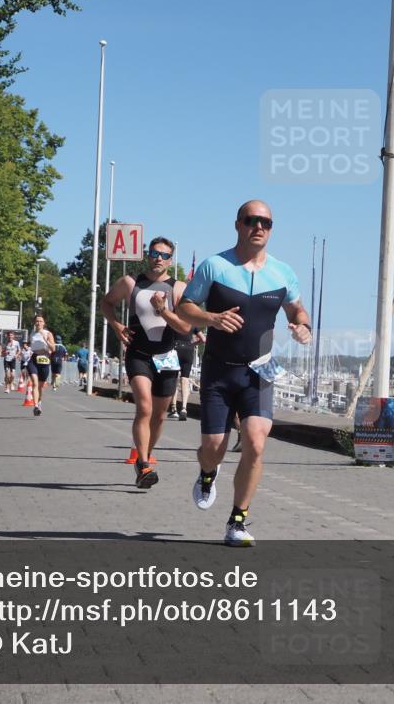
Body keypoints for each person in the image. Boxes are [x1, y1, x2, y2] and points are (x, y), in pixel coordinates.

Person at [177, 200, 311, 546]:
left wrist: (302, 327)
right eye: (251, 220)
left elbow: (297, 310)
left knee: (255, 441)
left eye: (265, 222)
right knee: (213, 447)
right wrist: (212, 319)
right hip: (219, 370)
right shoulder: (214, 266)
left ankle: (238, 521)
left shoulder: (283, 272)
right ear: (238, 224)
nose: (259, 227)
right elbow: (185, 307)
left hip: (260, 371)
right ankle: (208, 473)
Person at [102, 236, 191, 489]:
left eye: (164, 255)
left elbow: (185, 326)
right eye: (154, 253)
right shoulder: (130, 283)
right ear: (147, 254)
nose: (158, 258)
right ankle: (143, 463)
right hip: (138, 354)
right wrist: (116, 324)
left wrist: (163, 310)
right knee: (144, 408)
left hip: (166, 357)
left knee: (160, 416)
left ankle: (145, 456)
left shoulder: (178, 288)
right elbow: (107, 303)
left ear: (170, 260)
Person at [169, 327, 205, 420]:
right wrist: (192, 344)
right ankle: (184, 408)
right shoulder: (192, 323)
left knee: (174, 378)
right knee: (185, 379)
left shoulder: (174, 321)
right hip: (188, 350)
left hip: (175, 349)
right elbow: (203, 339)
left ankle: (174, 409)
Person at [26, 316, 56, 416]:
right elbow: (31, 345)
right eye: (37, 321)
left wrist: (46, 340)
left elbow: (53, 348)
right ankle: (35, 406)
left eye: (40, 321)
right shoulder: (32, 334)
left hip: (45, 359)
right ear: (35, 323)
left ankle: (39, 402)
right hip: (34, 359)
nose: (38, 323)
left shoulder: (48, 333)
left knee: (40, 386)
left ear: (44, 323)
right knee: (34, 383)